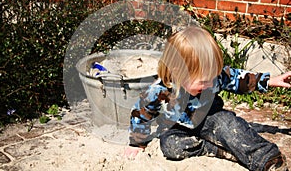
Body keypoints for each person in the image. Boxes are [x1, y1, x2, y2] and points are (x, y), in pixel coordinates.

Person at [124, 25, 291, 171]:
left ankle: (268, 159)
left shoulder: (213, 77)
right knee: (170, 146)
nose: (211, 84)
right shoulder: (157, 92)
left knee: (229, 126)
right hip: (177, 127)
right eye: (203, 82)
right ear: (177, 71)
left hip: (211, 118)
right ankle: (215, 149)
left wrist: (269, 81)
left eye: (213, 77)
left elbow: (237, 78)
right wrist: (137, 143)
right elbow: (141, 114)